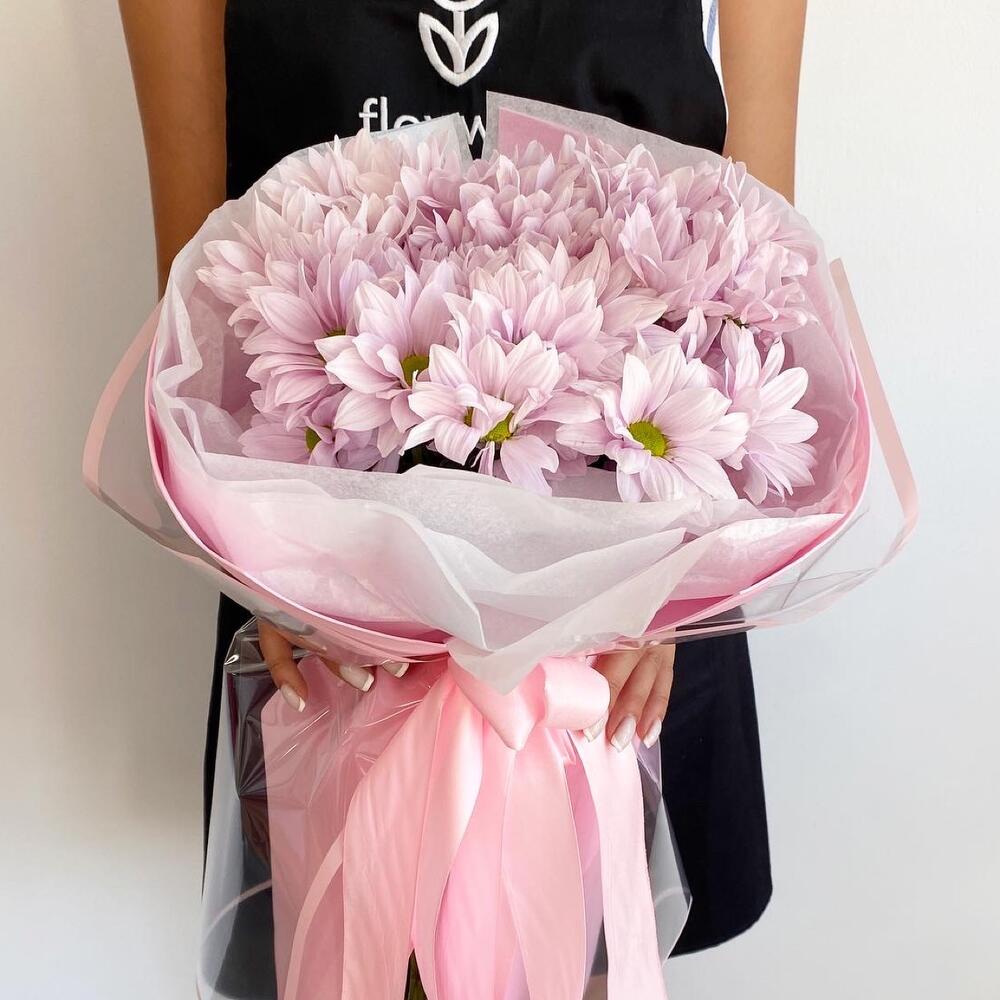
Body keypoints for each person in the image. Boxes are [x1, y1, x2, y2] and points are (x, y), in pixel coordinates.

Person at [120, 0, 806, 975]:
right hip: (327, 604)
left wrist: (675, 576)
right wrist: (276, 561)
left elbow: (760, 273)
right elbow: (195, 312)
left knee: (592, 948)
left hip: (639, 591)